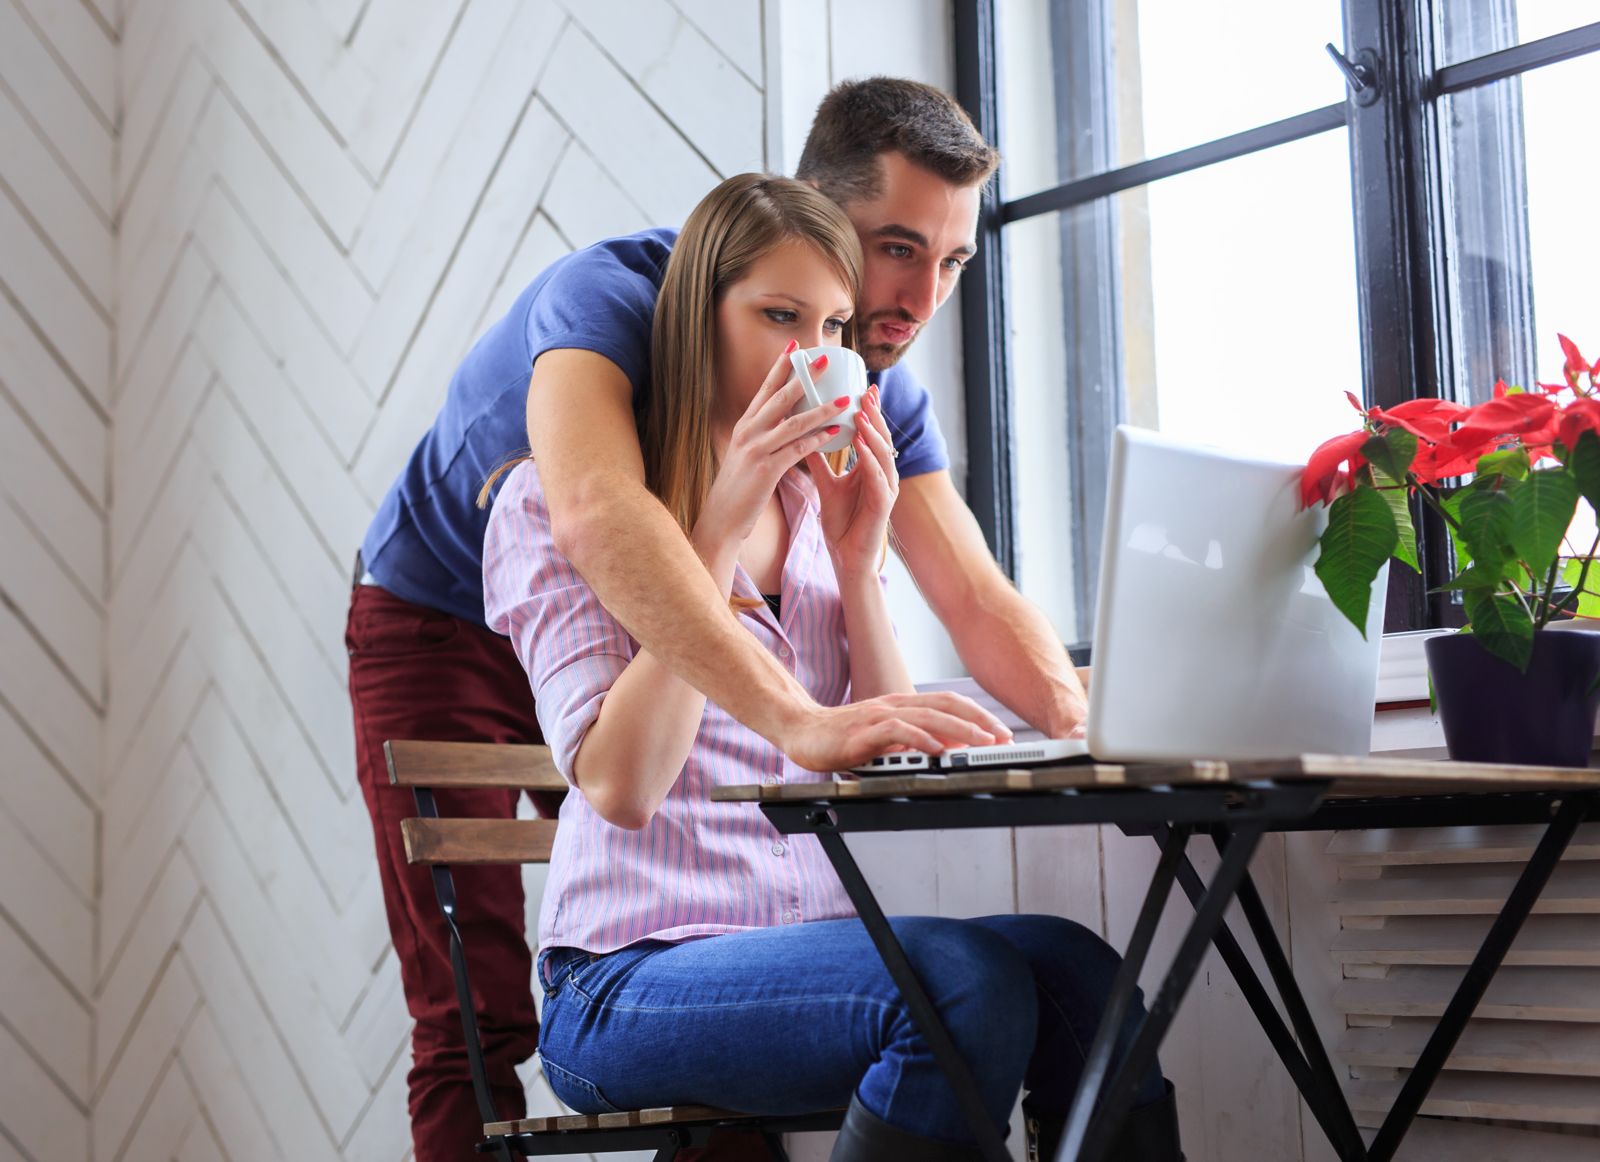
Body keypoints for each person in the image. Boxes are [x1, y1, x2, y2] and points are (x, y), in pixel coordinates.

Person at [348, 77, 1088, 1160]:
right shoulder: (612, 303)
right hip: (445, 615)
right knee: (473, 1014)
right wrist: (796, 715)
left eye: (953, 262)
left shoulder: (855, 405)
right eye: (897, 249)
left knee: (1044, 975)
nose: (922, 297)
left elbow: (972, 596)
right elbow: (602, 517)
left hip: (658, 633)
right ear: (819, 216)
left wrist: (1088, 723)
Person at [482, 172, 1181, 1162]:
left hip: (787, 957)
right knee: (960, 986)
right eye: (779, 316)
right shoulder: (550, 510)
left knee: (1081, 976)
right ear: (694, 317)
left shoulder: (813, 511)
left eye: (834, 327)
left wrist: (859, 564)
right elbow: (622, 783)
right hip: (621, 984)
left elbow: (869, 755)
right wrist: (718, 520)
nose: (812, 356)